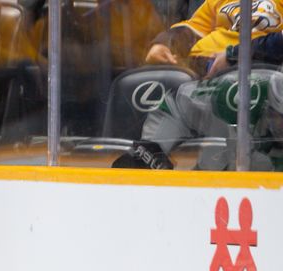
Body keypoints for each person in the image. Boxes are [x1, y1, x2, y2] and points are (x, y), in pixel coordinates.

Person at [112, 68, 283, 171]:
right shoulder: (238, 104)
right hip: (175, 111)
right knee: (142, 164)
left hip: (232, 132)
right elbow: (228, 166)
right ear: (269, 106)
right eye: (280, 117)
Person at [145, 0, 283, 78]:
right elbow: (193, 27)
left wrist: (233, 56)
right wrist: (163, 45)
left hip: (244, 72)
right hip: (190, 67)